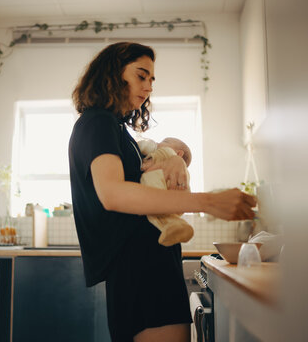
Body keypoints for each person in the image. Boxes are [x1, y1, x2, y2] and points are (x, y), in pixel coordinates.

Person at [69, 42, 256, 342]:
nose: (148, 87)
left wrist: (175, 160)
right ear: (113, 74)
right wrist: (209, 202)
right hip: (141, 271)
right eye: (141, 76)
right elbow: (113, 194)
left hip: (145, 267)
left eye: (152, 80)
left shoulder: (117, 130)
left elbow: (151, 168)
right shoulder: (97, 122)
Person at [137, 137, 194, 246]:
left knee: (155, 212)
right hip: (175, 200)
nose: (159, 143)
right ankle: (177, 226)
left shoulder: (167, 154)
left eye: (165, 142)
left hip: (158, 196)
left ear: (179, 153)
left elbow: (143, 147)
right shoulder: (180, 170)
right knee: (160, 217)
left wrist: (140, 149)